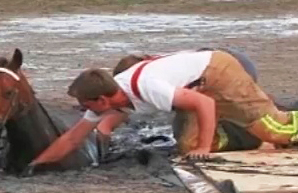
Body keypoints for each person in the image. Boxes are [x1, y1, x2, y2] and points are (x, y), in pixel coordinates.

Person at [27, 49, 298, 170]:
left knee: (277, 129)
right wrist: (36, 164)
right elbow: (74, 137)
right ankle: (245, 134)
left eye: (86, 106)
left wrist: (206, 150)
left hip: (219, 73)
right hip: (197, 85)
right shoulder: (108, 97)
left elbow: (204, 102)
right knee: (186, 146)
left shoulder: (145, 87)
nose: (82, 110)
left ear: (103, 101)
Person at [105, 47, 263, 153]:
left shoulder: (150, 83)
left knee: (192, 137)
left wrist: (203, 147)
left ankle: (252, 135)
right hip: (220, 66)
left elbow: (204, 103)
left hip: (232, 69)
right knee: (186, 131)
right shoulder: (155, 74)